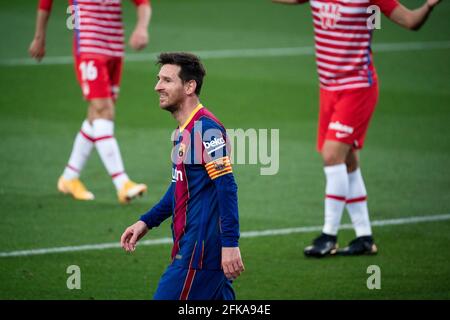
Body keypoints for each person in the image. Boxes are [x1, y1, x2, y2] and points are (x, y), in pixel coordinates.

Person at [273, 0, 441, 256]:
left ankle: (329, 236)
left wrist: (428, 5)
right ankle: (364, 238)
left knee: (332, 155)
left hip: (358, 88)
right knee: (348, 161)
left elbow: (410, 21)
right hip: (329, 89)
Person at [120, 52, 244, 300]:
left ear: (189, 86)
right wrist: (147, 221)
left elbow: (226, 187)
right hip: (195, 249)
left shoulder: (205, 129)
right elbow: (180, 187)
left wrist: (230, 244)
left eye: (167, 80)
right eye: (158, 79)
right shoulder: (183, 131)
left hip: (198, 254)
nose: (157, 87)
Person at [29, 0, 151, 203]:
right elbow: (45, 3)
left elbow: (143, 3)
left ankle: (69, 177)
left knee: (97, 114)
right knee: (104, 110)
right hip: (89, 49)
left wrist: (141, 28)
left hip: (114, 49)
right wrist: (39, 37)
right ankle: (122, 184)